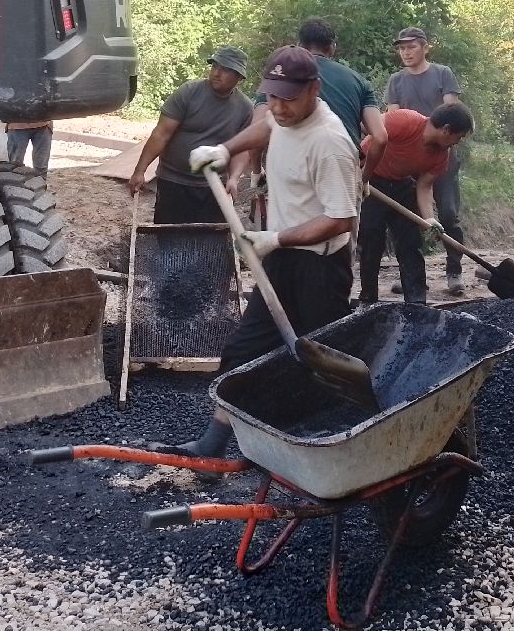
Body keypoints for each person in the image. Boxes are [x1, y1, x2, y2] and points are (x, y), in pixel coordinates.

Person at [152, 46, 361, 458]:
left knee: (319, 362)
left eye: (289, 98)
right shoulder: (283, 115)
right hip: (281, 257)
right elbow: (267, 127)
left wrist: (274, 239)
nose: (278, 108)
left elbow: (341, 219)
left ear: (314, 90)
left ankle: (333, 446)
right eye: (273, 96)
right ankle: (214, 443)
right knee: (244, 350)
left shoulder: (331, 143)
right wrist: (225, 149)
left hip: (320, 268)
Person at [228, 18, 388, 186]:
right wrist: (363, 178)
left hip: (293, 171)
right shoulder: (359, 81)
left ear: (299, 45)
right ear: (332, 47)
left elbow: (259, 128)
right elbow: (380, 137)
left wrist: (256, 170)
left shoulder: (281, 78)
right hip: (342, 172)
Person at [358, 103, 475, 306]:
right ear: (446, 129)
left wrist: (428, 218)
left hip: (403, 185)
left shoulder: (441, 155)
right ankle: (368, 301)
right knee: (370, 239)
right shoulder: (405, 120)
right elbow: (369, 128)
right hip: (370, 181)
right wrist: (357, 170)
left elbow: (424, 186)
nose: (457, 142)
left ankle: (416, 303)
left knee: (410, 243)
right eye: (459, 136)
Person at [128, 46, 253, 224]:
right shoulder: (189, 92)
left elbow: (242, 149)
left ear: (239, 77)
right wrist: (140, 171)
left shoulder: (244, 108)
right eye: (215, 66)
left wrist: (234, 178)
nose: (217, 73)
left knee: (208, 241)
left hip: (213, 187)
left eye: (225, 70)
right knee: (169, 236)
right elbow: (161, 134)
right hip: (174, 181)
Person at [385, 27, 467, 295]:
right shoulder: (396, 81)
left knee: (447, 214)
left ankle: (454, 271)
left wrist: (434, 138)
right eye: (401, 48)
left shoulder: (442, 74)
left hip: (440, 156)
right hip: (407, 157)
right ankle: (409, 272)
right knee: (407, 218)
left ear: (425, 48)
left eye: (411, 47)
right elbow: (392, 118)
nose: (406, 52)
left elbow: (451, 113)